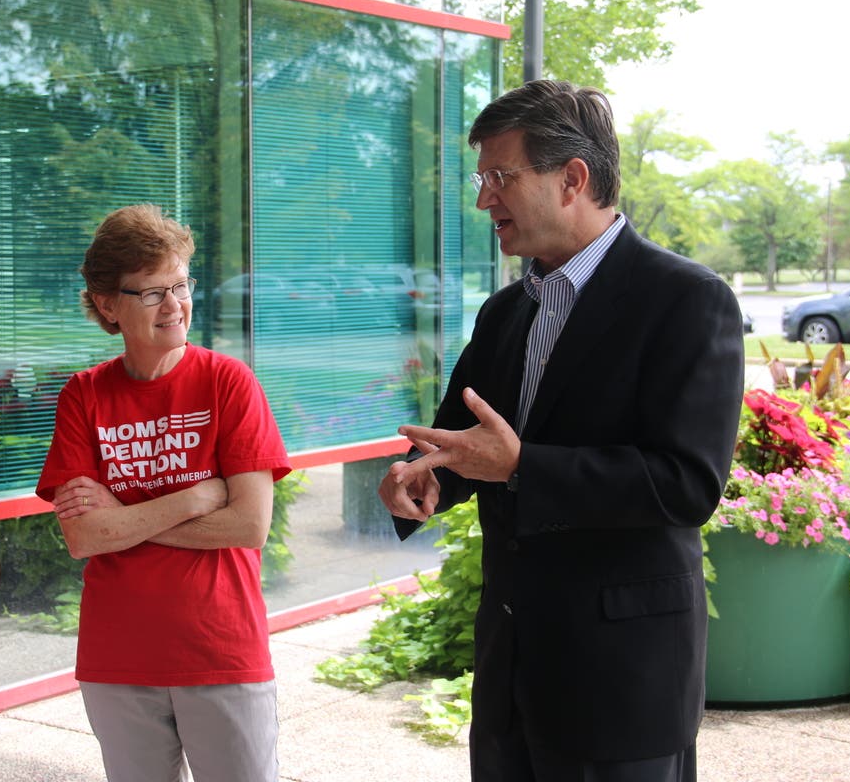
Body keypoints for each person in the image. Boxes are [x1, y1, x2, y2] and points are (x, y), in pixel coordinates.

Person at [378, 80, 744, 782]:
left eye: (500, 177)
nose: (484, 200)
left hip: (622, 685)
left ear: (572, 179)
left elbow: (688, 484)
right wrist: (422, 481)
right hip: (509, 680)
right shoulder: (505, 312)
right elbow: (460, 445)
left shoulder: (688, 300)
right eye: (481, 180)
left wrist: (523, 467)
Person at [36, 203, 291, 782]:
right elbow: (83, 537)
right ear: (108, 304)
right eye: (152, 292)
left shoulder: (228, 382)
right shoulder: (84, 394)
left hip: (220, 649)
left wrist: (123, 519)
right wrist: (191, 499)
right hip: (118, 657)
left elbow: (249, 525)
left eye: (180, 285)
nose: (175, 305)